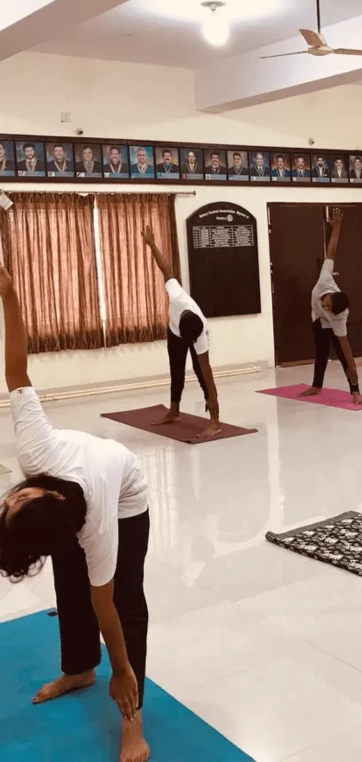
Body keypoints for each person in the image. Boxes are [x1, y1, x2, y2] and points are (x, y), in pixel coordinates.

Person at [0, 266, 151, 762]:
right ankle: (81, 667)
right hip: (77, 496)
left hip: (128, 497)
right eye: (13, 502)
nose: (10, 496)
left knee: (124, 603)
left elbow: (104, 603)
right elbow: (17, 370)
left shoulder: (101, 520)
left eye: (13, 499)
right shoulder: (38, 463)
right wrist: (9, 295)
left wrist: (123, 669)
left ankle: (133, 719)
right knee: (70, 588)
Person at [142, 226, 221, 439]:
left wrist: (212, 401)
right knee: (176, 368)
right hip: (174, 330)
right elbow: (165, 268)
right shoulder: (177, 297)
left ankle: (215, 421)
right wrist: (151, 243)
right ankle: (174, 411)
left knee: (199, 369)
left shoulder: (200, 331)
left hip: (185, 330)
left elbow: (208, 371)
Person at [300, 208, 362, 406]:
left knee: (342, 356)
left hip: (330, 324)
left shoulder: (338, 318)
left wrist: (357, 389)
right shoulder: (325, 279)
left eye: (328, 309)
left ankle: (355, 390)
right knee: (320, 353)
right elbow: (332, 251)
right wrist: (336, 227)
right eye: (327, 305)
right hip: (317, 319)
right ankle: (316, 386)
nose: (326, 307)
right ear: (330, 295)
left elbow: (348, 352)